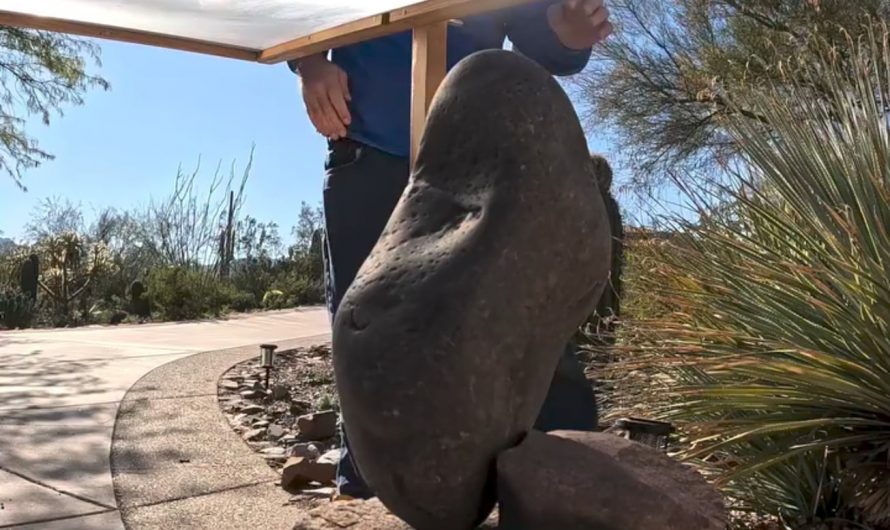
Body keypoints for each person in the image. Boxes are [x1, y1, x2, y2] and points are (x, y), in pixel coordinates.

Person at [289, 0, 613, 499]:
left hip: (471, 167)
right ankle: (366, 492)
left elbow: (542, 36)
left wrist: (570, 29)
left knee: (510, 311)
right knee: (364, 324)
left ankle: (562, 486)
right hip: (368, 152)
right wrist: (309, 63)